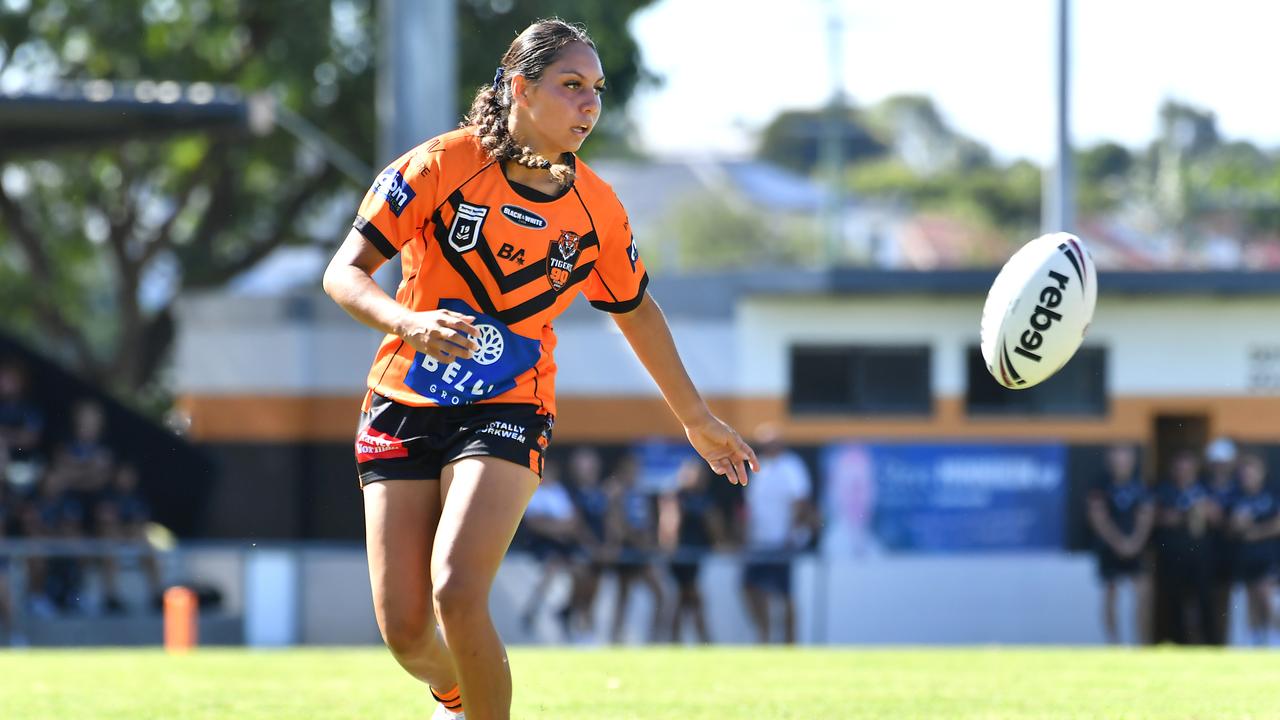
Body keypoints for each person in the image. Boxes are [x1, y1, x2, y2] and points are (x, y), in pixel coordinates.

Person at [321, 18, 758, 720]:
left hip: (511, 406)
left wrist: (697, 421)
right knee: (406, 632)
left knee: (456, 590)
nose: (591, 104)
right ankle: (458, 697)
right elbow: (344, 275)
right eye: (572, 86)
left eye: (598, 91)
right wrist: (409, 322)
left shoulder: (599, 211)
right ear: (520, 89)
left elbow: (636, 312)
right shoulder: (436, 165)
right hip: (399, 401)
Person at [740, 422, 815, 644]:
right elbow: (752, 507)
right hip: (759, 541)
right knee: (751, 588)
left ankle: (790, 643)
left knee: (785, 594)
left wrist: (791, 533)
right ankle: (765, 635)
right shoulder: (759, 468)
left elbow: (799, 501)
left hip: (782, 541)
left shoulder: (791, 465)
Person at [1085, 444, 1155, 644]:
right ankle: (1114, 643)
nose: (1122, 463)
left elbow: (1146, 515)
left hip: (1136, 547)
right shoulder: (1100, 485)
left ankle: (1142, 643)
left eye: (1126, 459)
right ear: (1110, 461)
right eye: (1118, 458)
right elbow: (1098, 517)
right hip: (1109, 548)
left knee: (1143, 593)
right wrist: (1118, 542)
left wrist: (1135, 542)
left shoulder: (1140, 485)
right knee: (1110, 594)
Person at [658, 458, 727, 643]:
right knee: (686, 599)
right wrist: (669, 546)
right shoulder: (676, 496)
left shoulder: (705, 499)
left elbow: (715, 527)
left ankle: (691, 642)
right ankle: (693, 641)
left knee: (689, 601)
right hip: (680, 557)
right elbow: (669, 525)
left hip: (696, 557)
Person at [516, 459, 587, 638]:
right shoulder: (535, 493)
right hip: (541, 543)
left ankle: (567, 611)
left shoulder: (559, 492)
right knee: (552, 566)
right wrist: (557, 529)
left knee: (582, 573)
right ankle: (532, 610)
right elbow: (535, 523)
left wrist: (556, 528)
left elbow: (572, 521)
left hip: (563, 543)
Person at [1152, 449, 1216, 644]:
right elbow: (1157, 516)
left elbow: (1217, 516)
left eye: (1187, 468)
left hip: (1201, 555)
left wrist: (1204, 512)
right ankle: (1177, 641)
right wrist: (1183, 516)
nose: (1183, 472)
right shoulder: (1164, 490)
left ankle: (1208, 642)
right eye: (1180, 468)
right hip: (1172, 555)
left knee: (1203, 599)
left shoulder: (1205, 488)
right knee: (1174, 600)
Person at [602, 454, 666, 644]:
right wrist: (632, 542)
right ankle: (615, 638)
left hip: (641, 551)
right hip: (627, 550)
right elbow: (616, 524)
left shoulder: (639, 493)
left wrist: (650, 543)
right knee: (624, 595)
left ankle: (654, 638)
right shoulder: (617, 491)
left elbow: (647, 521)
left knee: (659, 594)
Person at [1228, 453, 1278, 646]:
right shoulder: (1237, 496)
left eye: (1252, 472)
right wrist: (1237, 524)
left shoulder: (1272, 493)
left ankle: (1274, 638)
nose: (1248, 476)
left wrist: (1256, 531)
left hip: (1269, 556)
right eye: (1245, 473)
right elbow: (1230, 527)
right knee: (1251, 600)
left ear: (1262, 473)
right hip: (1245, 557)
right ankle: (1256, 640)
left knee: (1266, 596)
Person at [1201, 437, 1239, 645]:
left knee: (1229, 601)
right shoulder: (1202, 487)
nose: (1220, 467)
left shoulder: (1239, 488)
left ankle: (1225, 642)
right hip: (1206, 553)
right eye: (1216, 463)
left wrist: (1224, 520)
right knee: (1204, 600)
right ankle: (1206, 642)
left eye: (1223, 463)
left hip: (1234, 553)